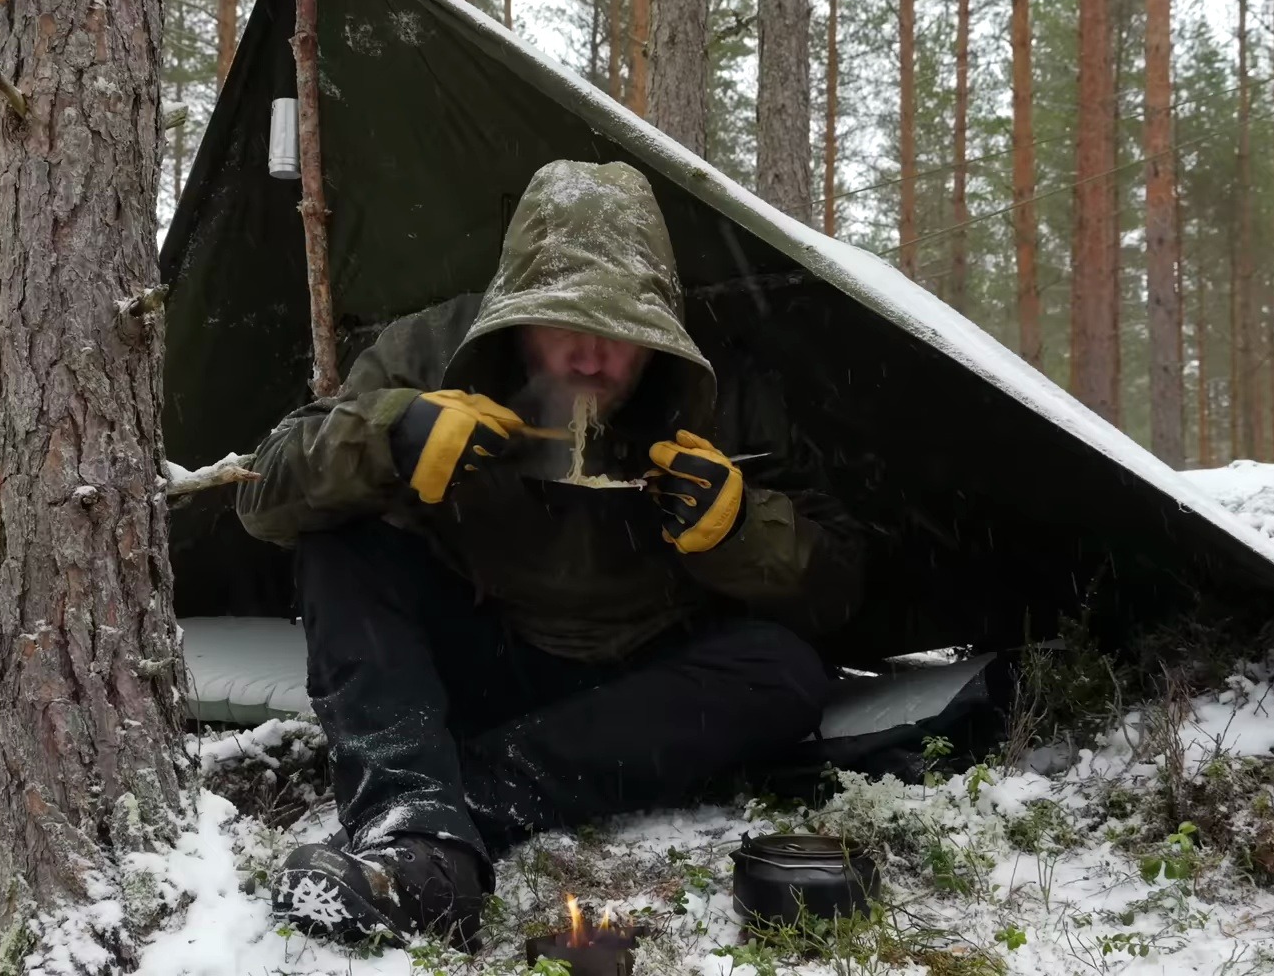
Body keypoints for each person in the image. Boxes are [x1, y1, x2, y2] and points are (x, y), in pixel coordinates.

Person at [236, 159, 861, 948]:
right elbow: (260, 496)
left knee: (784, 669)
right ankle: (416, 837)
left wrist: (741, 526)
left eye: (623, 337)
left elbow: (841, 589)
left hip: (639, 682)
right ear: (513, 317)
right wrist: (391, 436)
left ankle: (454, 814)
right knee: (341, 545)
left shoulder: (727, 387)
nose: (592, 360)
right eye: (566, 326)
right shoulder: (432, 348)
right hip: (480, 648)